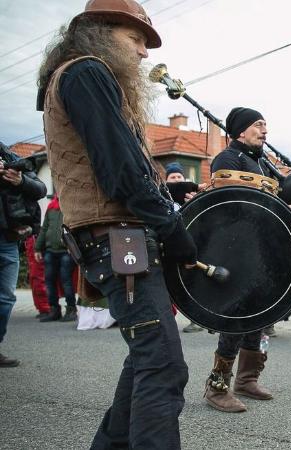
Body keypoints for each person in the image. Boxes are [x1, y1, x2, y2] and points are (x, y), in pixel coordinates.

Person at [38, 1, 195, 446]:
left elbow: (116, 165)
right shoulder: (87, 72)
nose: (145, 53)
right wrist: (169, 224)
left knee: (146, 358)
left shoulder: (80, 75)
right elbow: (121, 170)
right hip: (117, 237)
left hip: (116, 236)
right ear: (102, 32)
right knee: (162, 365)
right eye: (137, 39)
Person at [203, 106, 291, 413]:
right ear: (240, 130)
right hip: (237, 251)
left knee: (261, 316)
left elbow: (278, 199)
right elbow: (235, 205)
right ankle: (217, 386)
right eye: (258, 125)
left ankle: (247, 379)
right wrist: (282, 210)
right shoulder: (226, 160)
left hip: (262, 251)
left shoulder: (259, 161)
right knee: (237, 318)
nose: (265, 131)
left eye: (266, 125)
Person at [0, 143, 47, 368]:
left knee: (6, 297)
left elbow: (40, 189)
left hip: (8, 238)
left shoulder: (10, 157)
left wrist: (20, 181)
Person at [164, 162, 203, 333]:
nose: (177, 180)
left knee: (191, 284)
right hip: (168, 249)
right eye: (173, 177)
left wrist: (195, 203)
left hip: (189, 248)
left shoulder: (192, 198)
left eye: (179, 177)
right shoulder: (163, 199)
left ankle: (196, 319)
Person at [35, 195, 78, 322]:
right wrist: (37, 248)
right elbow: (44, 228)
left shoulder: (71, 207)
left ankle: (71, 309)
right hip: (50, 251)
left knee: (66, 280)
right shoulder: (51, 207)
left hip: (66, 251)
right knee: (49, 281)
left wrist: (73, 246)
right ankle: (54, 309)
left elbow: (76, 228)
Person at [24, 235, 50, 319]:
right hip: (32, 241)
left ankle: (46, 308)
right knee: (35, 279)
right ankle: (42, 308)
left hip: (35, 242)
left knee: (38, 279)